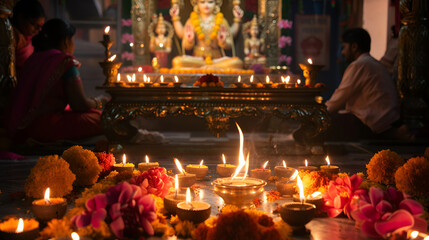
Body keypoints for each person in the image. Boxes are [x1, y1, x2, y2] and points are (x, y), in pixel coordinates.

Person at [5, 18, 109, 143]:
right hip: (47, 126)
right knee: (106, 119)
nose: (73, 45)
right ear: (66, 41)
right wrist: (100, 101)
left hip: (22, 127)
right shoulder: (64, 61)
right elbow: (79, 104)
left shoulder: (33, 59)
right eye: (73, 40)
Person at [325, 28, 413, 141]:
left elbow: (337, 100)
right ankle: (393, 133)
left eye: (344, 47)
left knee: (323, 123)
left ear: (354, 47)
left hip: (372, 125)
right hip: (387, 121)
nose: (342, 53)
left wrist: (317, 114)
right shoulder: (372, 63)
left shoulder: (359, 65)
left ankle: (390, 134)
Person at [169, 0, 243, 69]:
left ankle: (210, 67)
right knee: (177, 61)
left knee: (237, 62)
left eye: (210, 2)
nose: (206, 5)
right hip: (197, 59)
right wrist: (189, 41)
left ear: (216, 3)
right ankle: (212, 68)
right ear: (196, 3)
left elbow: (230, 38)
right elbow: (184, 41)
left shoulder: (221, 20)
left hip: (217, 59)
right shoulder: (192, 20)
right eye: (202, 2)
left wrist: (223, 42)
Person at [11, 0, 45, 74]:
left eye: (40, 26)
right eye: (33, 24)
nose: (38, 29)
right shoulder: (13, 35)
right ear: (20, 18)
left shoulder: (28, 39)